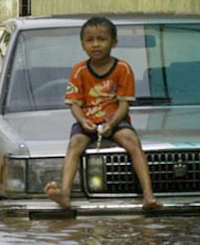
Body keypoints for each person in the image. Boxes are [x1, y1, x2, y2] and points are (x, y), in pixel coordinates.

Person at [44, 16, 162, 210]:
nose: (96, 45)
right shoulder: (79, 70)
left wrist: (111, 124)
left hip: (116, 120)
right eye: (90, 40)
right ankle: (65, 192)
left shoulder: (123, 69)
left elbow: (124, 105)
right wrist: (83, 121)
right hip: (87, 121)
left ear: (114, 42)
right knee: (74, 144)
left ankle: (148, 195)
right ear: (82, 44)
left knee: (132, 141)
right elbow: (75, 104)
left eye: (101, 39)